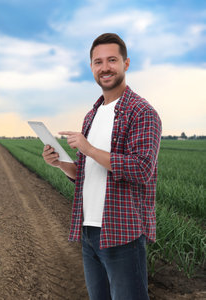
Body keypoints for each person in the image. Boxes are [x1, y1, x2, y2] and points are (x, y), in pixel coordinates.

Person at [42, 33, 162, 300]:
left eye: (111, 60)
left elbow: (141, 169)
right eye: (98, 62)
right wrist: (61, 163)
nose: (105, 67)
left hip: (122, 234)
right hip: (89, 230)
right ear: (91, 67)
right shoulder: (92, 114)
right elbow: (87, 174)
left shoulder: (142, 112)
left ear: (126, 64)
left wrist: (88, 149)